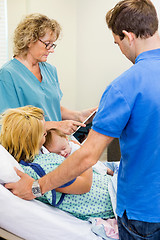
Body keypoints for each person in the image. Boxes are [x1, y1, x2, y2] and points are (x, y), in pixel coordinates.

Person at [5, 0, 160, 239]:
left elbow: (87, 156)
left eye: (117, 43)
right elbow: (10, 122)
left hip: (142, 211)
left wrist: (36, 187)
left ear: (128, 36)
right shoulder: (9, 75)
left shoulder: (124, 86)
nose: (119, 49)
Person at [0, 106, 114, 220]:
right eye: (44, 134)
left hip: (109, 186)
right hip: (108, 200)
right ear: (32, 140)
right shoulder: (41, 167)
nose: (46, 134)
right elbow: (85, 185)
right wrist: (83, 153)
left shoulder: (36, 157)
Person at [0, 13, 95, 135]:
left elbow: (52, 107)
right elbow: (10, 123)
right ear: (29, 40)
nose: (51, 49)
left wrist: (79, 115)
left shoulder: (50, 70)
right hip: (30, 146)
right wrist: (55, 125)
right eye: (47, 44)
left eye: (53, 44)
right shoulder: (8, 74)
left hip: (56, 144)